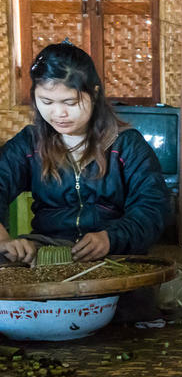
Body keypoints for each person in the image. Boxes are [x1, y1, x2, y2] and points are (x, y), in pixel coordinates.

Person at [0, 42, 171, 264]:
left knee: (137, 291)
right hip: (47, 247)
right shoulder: (29, 144)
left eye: (70, 102)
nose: (59, 113)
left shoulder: (127, 145)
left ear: (94, 93)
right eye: (46, 102)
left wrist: (111, 238)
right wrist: (3, 240)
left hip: (115, 253)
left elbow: (153, 207)